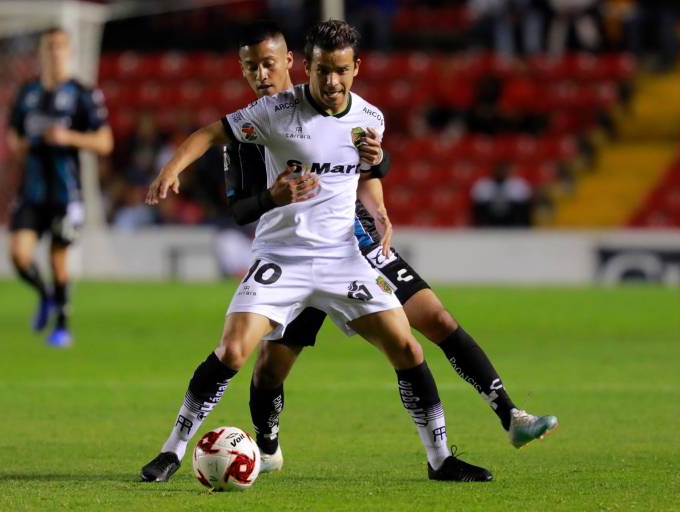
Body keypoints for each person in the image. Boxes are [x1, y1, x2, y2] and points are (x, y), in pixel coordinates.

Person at [141, 20, 493, 483]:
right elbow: (209, 135)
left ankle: (441, 459)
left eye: (340, 71)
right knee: (233, 350)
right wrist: (172, 169)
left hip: (343, 258)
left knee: (407, 347)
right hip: (281, 256)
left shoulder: (369, 116)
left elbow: (370, 166)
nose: (331, 81)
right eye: (323, 70)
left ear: (352, 69)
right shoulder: (270, 112)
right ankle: (172, 450)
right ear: (307, 67)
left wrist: (381, 206)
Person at [223, 21, 557, 475]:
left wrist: (378, 205)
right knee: (269, 369)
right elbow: (243, 202)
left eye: (268, 64)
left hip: (355, 245)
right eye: (252, 68)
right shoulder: (251, 129)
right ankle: (267, 443)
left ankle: (510, 416)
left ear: (290, 64)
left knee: (436, 321)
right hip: (297, 256)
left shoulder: (331, 97)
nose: (262, 75)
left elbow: (368, 161)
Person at [6, 27, 113, 347]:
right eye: (48, 47)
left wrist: (68, 138)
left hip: (66, 192)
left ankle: (62, 326)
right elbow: (12, 133)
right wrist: (20, 145)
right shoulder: (27, 92)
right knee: (19, 254)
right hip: (31, 189)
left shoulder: (83, 93)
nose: (54, 52)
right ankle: (45, 295)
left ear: (69, 52)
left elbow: (105, 142)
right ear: (41, 52)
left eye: (60, 47)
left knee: (58, 258)